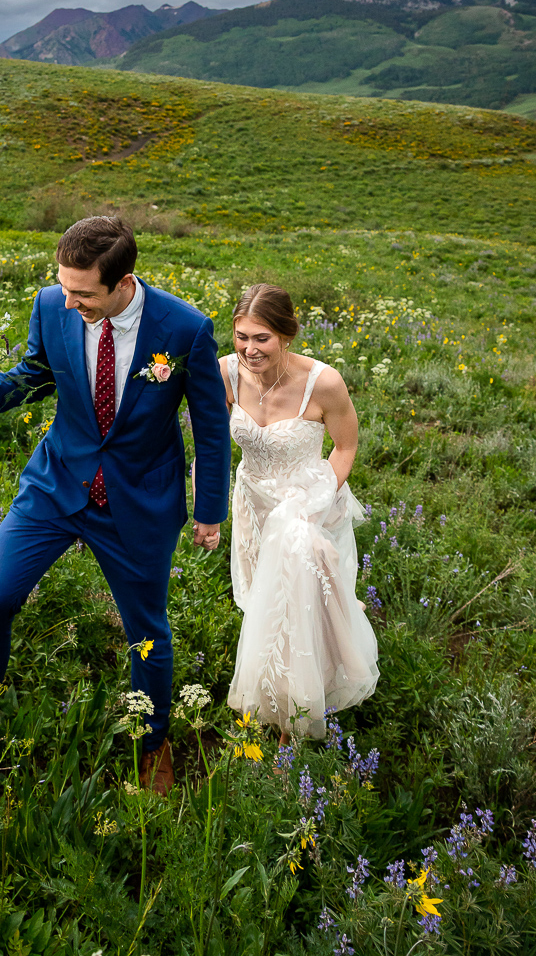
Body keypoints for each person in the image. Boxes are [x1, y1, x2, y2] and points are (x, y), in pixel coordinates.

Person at [0, 216, 231, 794]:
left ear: (123, 282)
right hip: (56, 484)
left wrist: (209, 510)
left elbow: (211, 430)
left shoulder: (186, 328)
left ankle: (153, 743)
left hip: (139, 498)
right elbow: (33, 376)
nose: (69, 303)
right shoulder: (51, 305)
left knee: (146, 633)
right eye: (63, 287)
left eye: (83, 293)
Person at [220, 283, 378, 745]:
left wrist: (315, 502)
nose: (249, 349)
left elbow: (346, 446)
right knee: (261, 603)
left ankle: (295, 714)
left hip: (306, 507)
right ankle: (281, 689)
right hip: (253, 504)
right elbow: (210, 440)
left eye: (262, 338)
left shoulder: (322, 382)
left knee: (299, 606)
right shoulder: (225, 374)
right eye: (241, 336)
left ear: (286, 335)